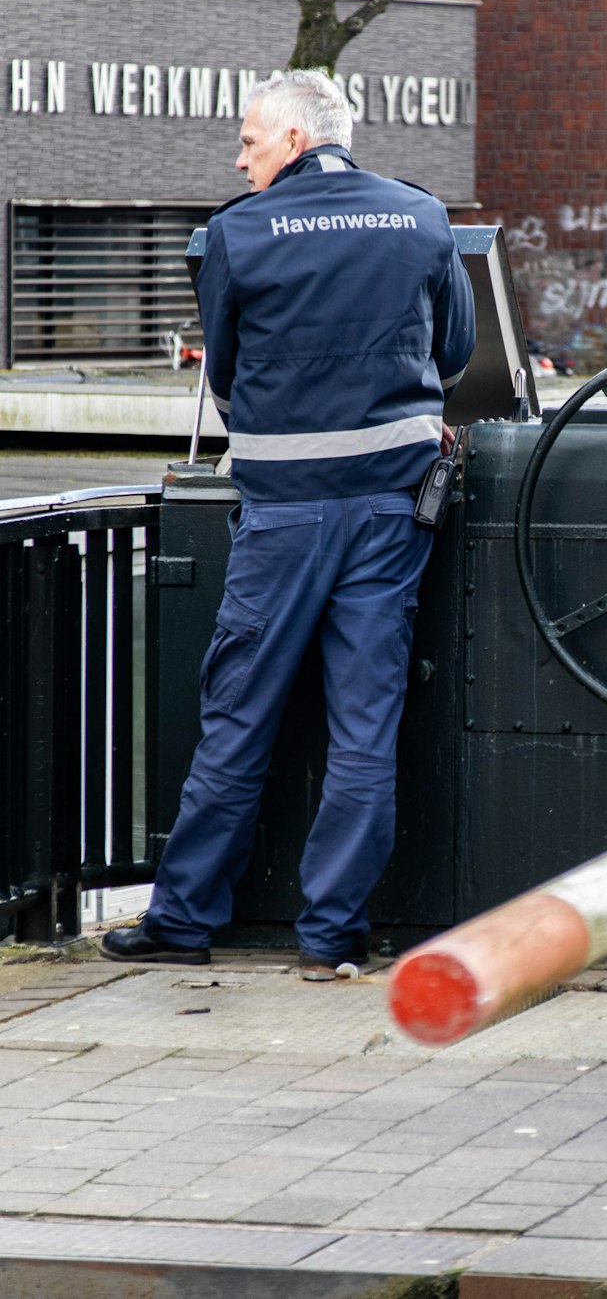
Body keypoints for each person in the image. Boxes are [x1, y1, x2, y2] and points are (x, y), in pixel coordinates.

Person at [101, 68, 475, 979]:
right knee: (365, 725)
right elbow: (456, 351)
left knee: (239, 715)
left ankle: (185, 920)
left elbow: (221, 370)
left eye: (249, 142)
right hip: (392, 513)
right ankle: (331, 937)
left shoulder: (237, 231)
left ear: (296, 142)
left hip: (281, 517)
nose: (240, 158)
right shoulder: (422, 217)